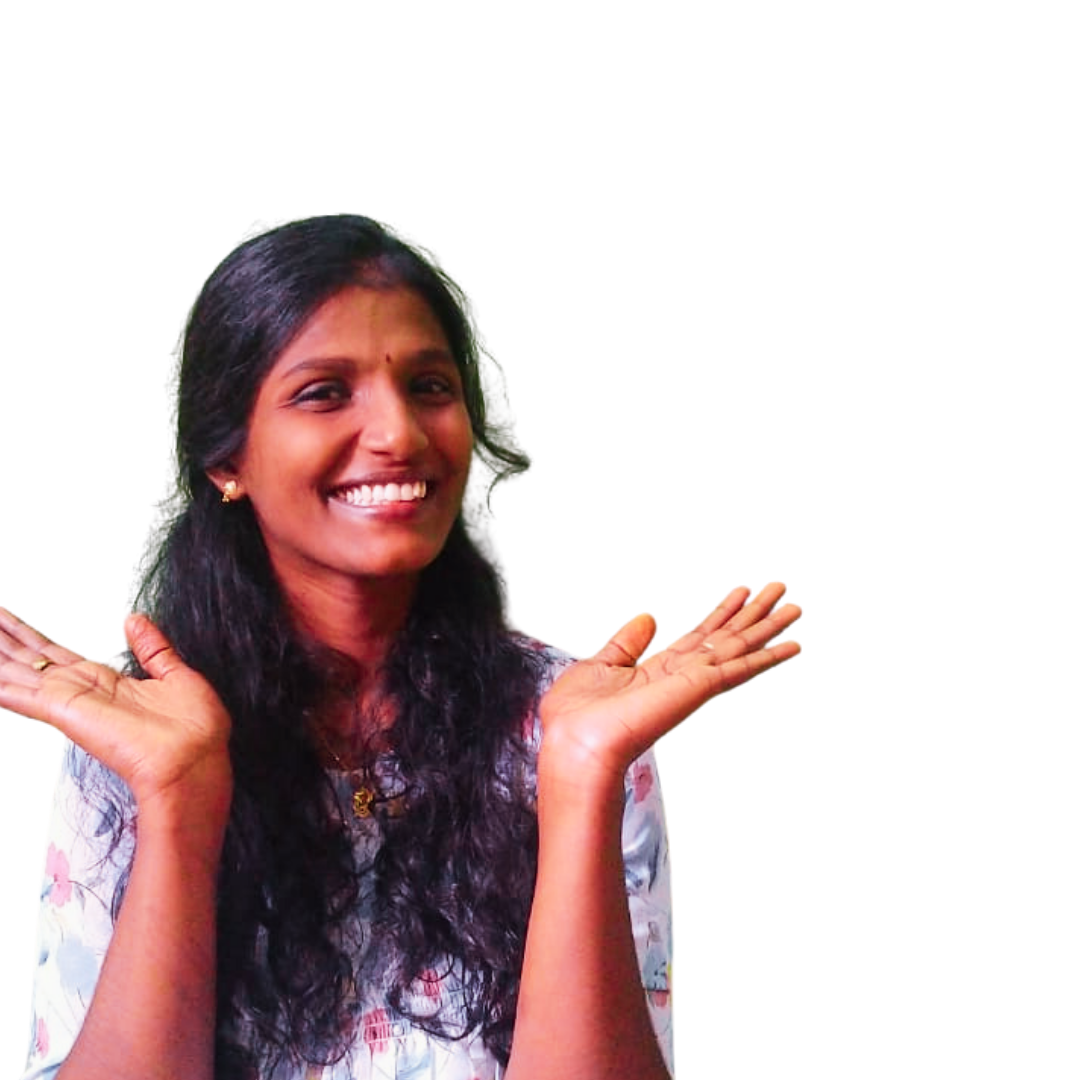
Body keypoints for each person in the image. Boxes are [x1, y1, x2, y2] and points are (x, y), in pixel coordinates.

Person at [0, 214, 801, 1080]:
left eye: (428, 386)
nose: (400, 434)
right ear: (227, 460)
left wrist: (578, 777)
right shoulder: (140, 741)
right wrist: (178, 800)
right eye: (324, 393)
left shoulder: (580, 726)